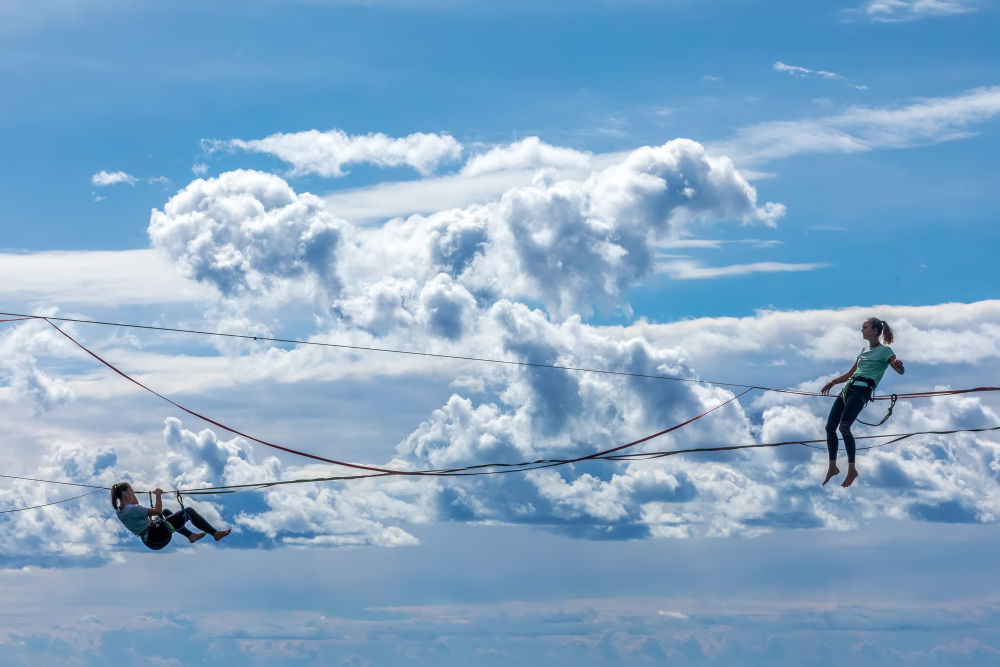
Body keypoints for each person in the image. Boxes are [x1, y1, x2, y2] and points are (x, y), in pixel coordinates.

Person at [820, 317, 905, 487]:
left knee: (844, 427)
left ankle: (852, 470)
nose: (862, 330)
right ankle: (833, 467)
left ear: (875, 330)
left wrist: (899, 366)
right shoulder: (863, 350)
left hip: (862, 391)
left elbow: (900, 371)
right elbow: (850, 373)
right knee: (830, 427)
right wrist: (832, 382)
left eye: (865, 327)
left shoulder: (886, 351)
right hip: (848, 389)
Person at [111, 482, 230, 550]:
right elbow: (157, 511)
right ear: (125, 493)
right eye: (131, 490)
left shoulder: (120, 511)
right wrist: (158, 495)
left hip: (150, 541)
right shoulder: (133, 510)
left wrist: (124, 491)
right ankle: (215, 533)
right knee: (188, 511)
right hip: (157, 536)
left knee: (166, 513)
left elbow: (134, 503)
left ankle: (191, 536)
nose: (133, 491)